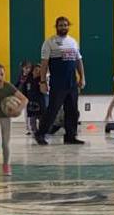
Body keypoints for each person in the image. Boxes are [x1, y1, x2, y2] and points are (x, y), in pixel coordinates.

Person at [35, 16, 86, 145]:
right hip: (58, 83)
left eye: (65, 25)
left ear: (69, 26)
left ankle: (70, 136)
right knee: (53, 110)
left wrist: (82, 77)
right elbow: (44, 63)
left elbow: (78, 61)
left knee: (72, 110)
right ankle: (40, 134)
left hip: (72, 83)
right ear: (56, 27)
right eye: (61, 25)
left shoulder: (73, 42)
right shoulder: (49, 42)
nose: (63, 27)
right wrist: (42, 82)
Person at [24, 64, 46, 135]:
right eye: (36, 70)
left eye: (40, 71)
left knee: (42, 118)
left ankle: (42, 131)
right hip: (31, 103)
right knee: (32, 119)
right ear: (32, 71)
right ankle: (35, 131)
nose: (38, 72)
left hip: (40, 102)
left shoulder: (42, 80)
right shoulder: (28, 80)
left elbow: (45, 90)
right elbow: (24, 90)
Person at [15, 60, 33, 135]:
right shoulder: (21, 75)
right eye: (26, 68)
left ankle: (35, 127)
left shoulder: (32, 75)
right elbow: (17, 84)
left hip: (32, 96)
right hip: (24, 97)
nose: (27, 69)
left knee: (34, 113)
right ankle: (28, 129)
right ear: (22, 68)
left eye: (29, 68)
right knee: (26, 113)